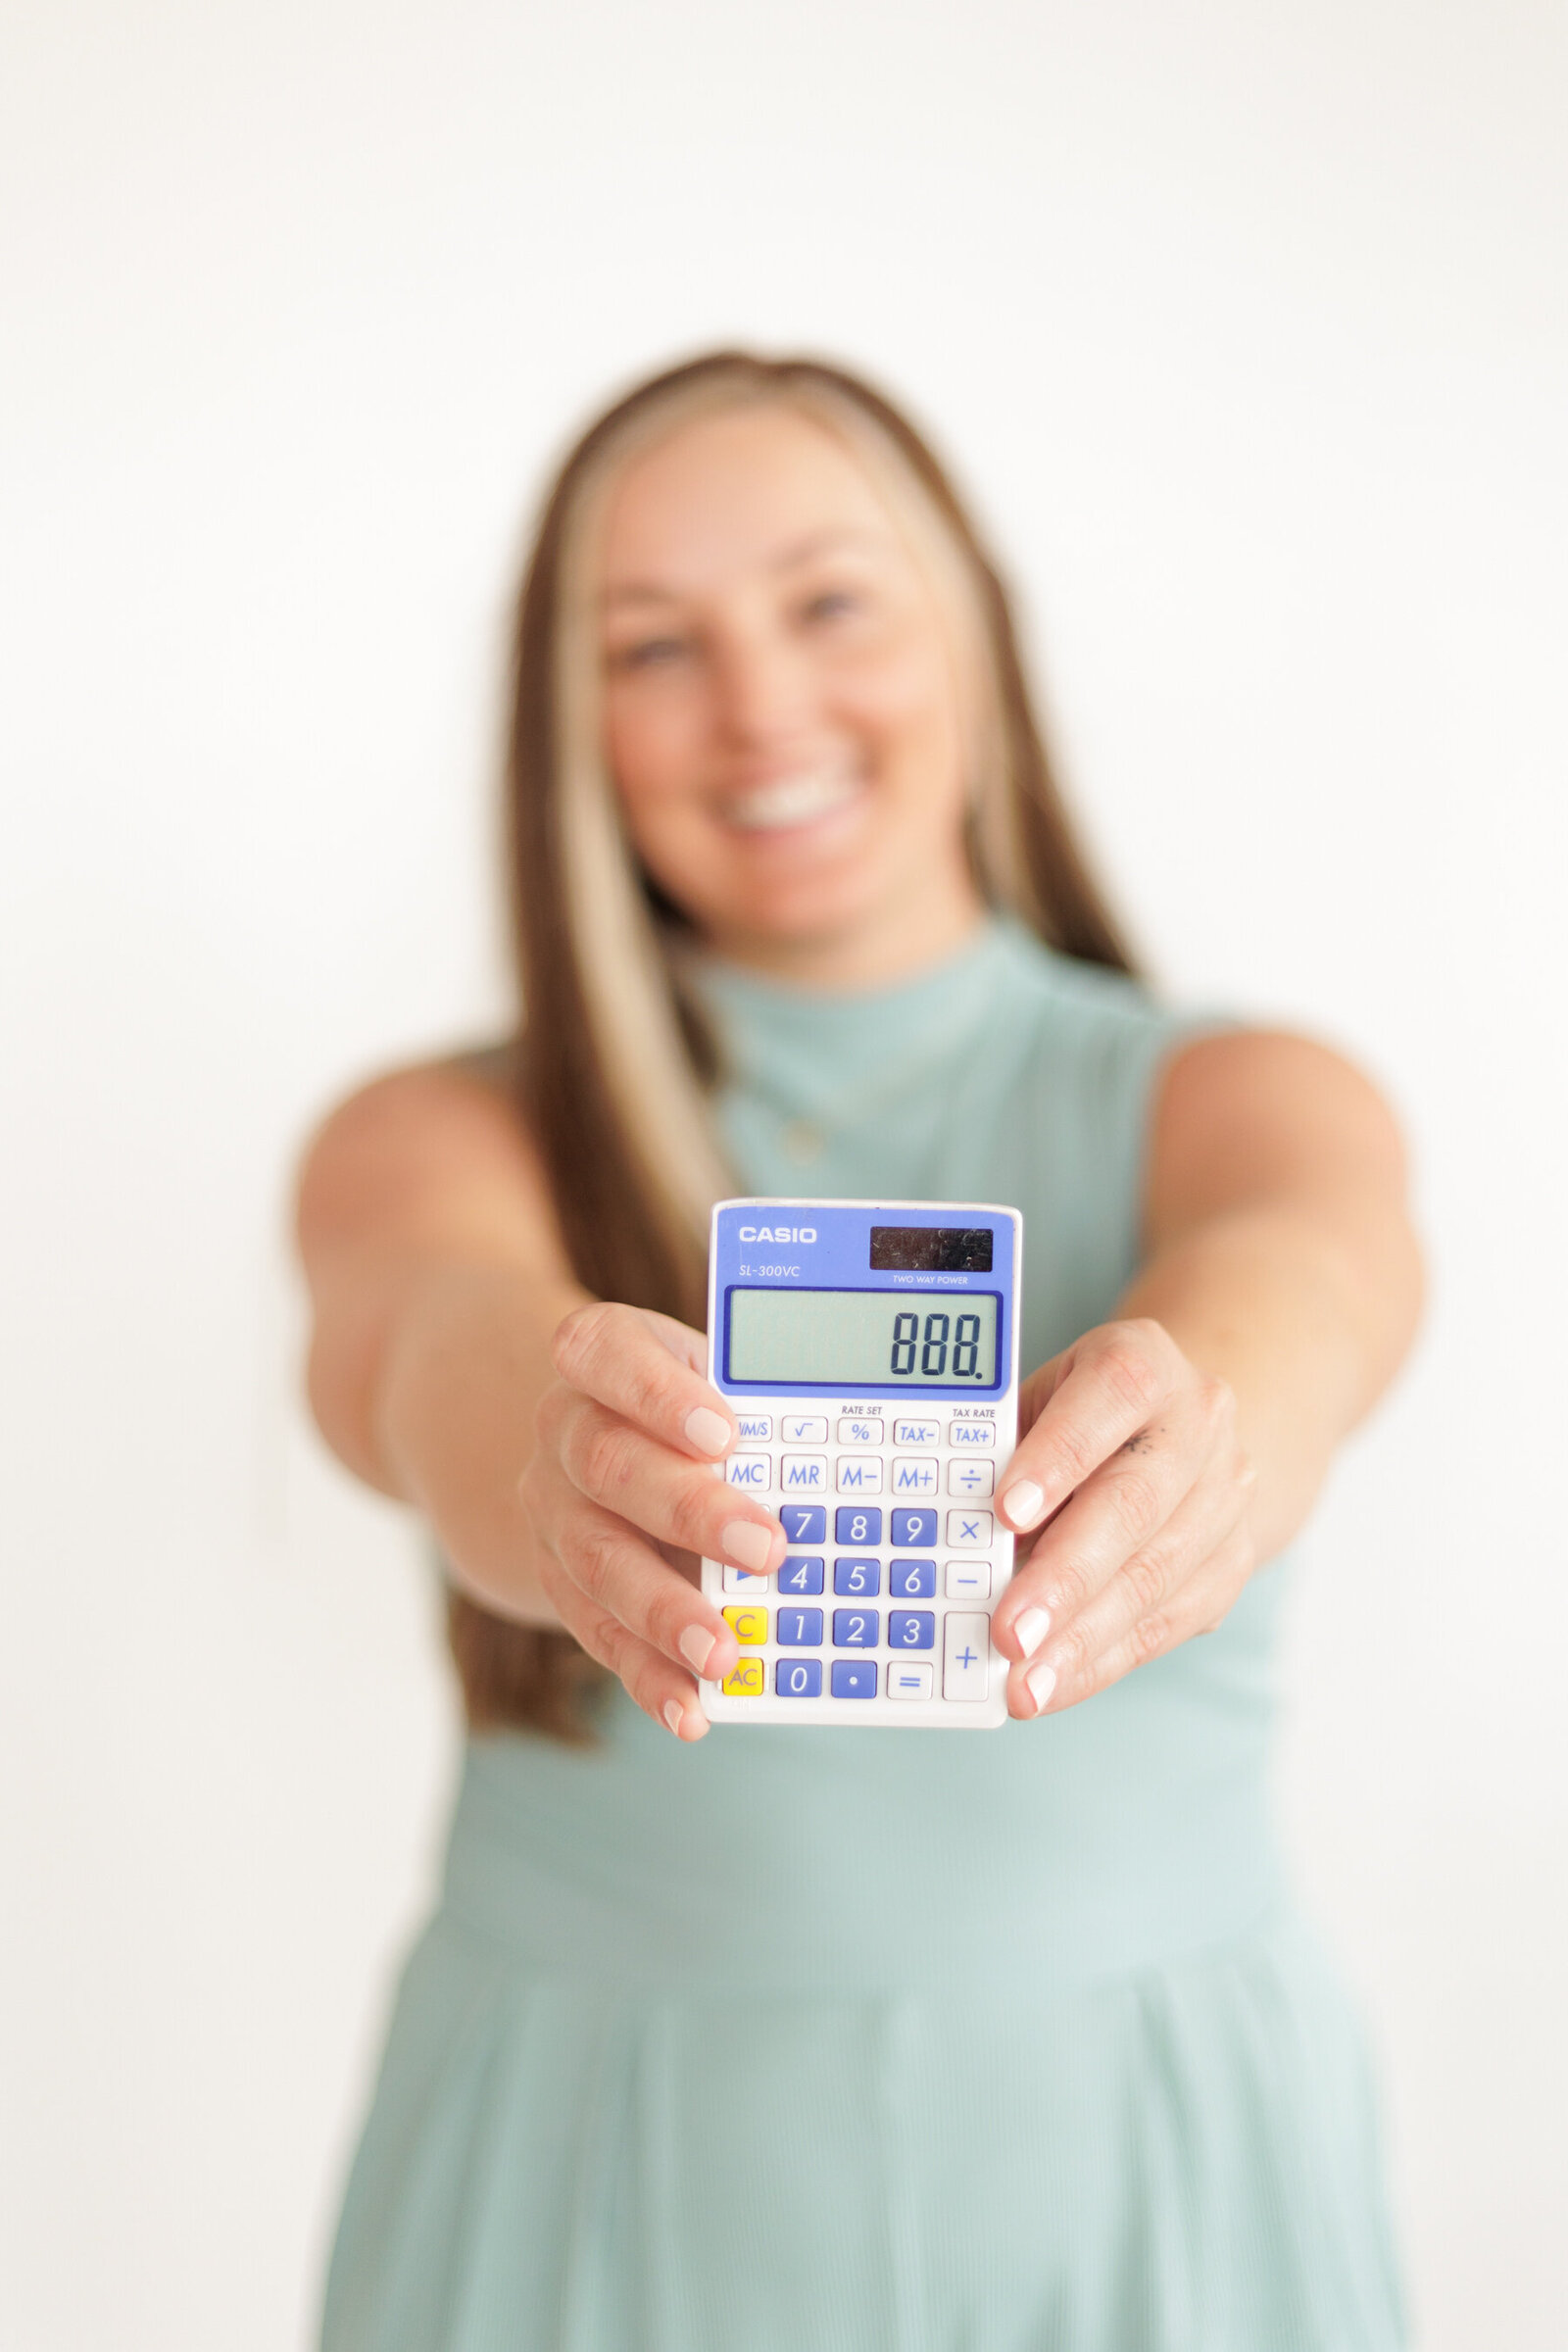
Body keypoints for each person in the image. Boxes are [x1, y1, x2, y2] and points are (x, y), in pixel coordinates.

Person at [298, 350, 1422, 2350]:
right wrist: (549, 1467)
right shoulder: (439, 1136)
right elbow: (423, 1343)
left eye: (827, 603)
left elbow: (1312, 1276)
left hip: (1145, 2171)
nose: (757, 709)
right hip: (581, 2170)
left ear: (969, 624)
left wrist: (1214, 1416)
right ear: (566, 725)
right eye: (649, 647)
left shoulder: (1241, 1092)